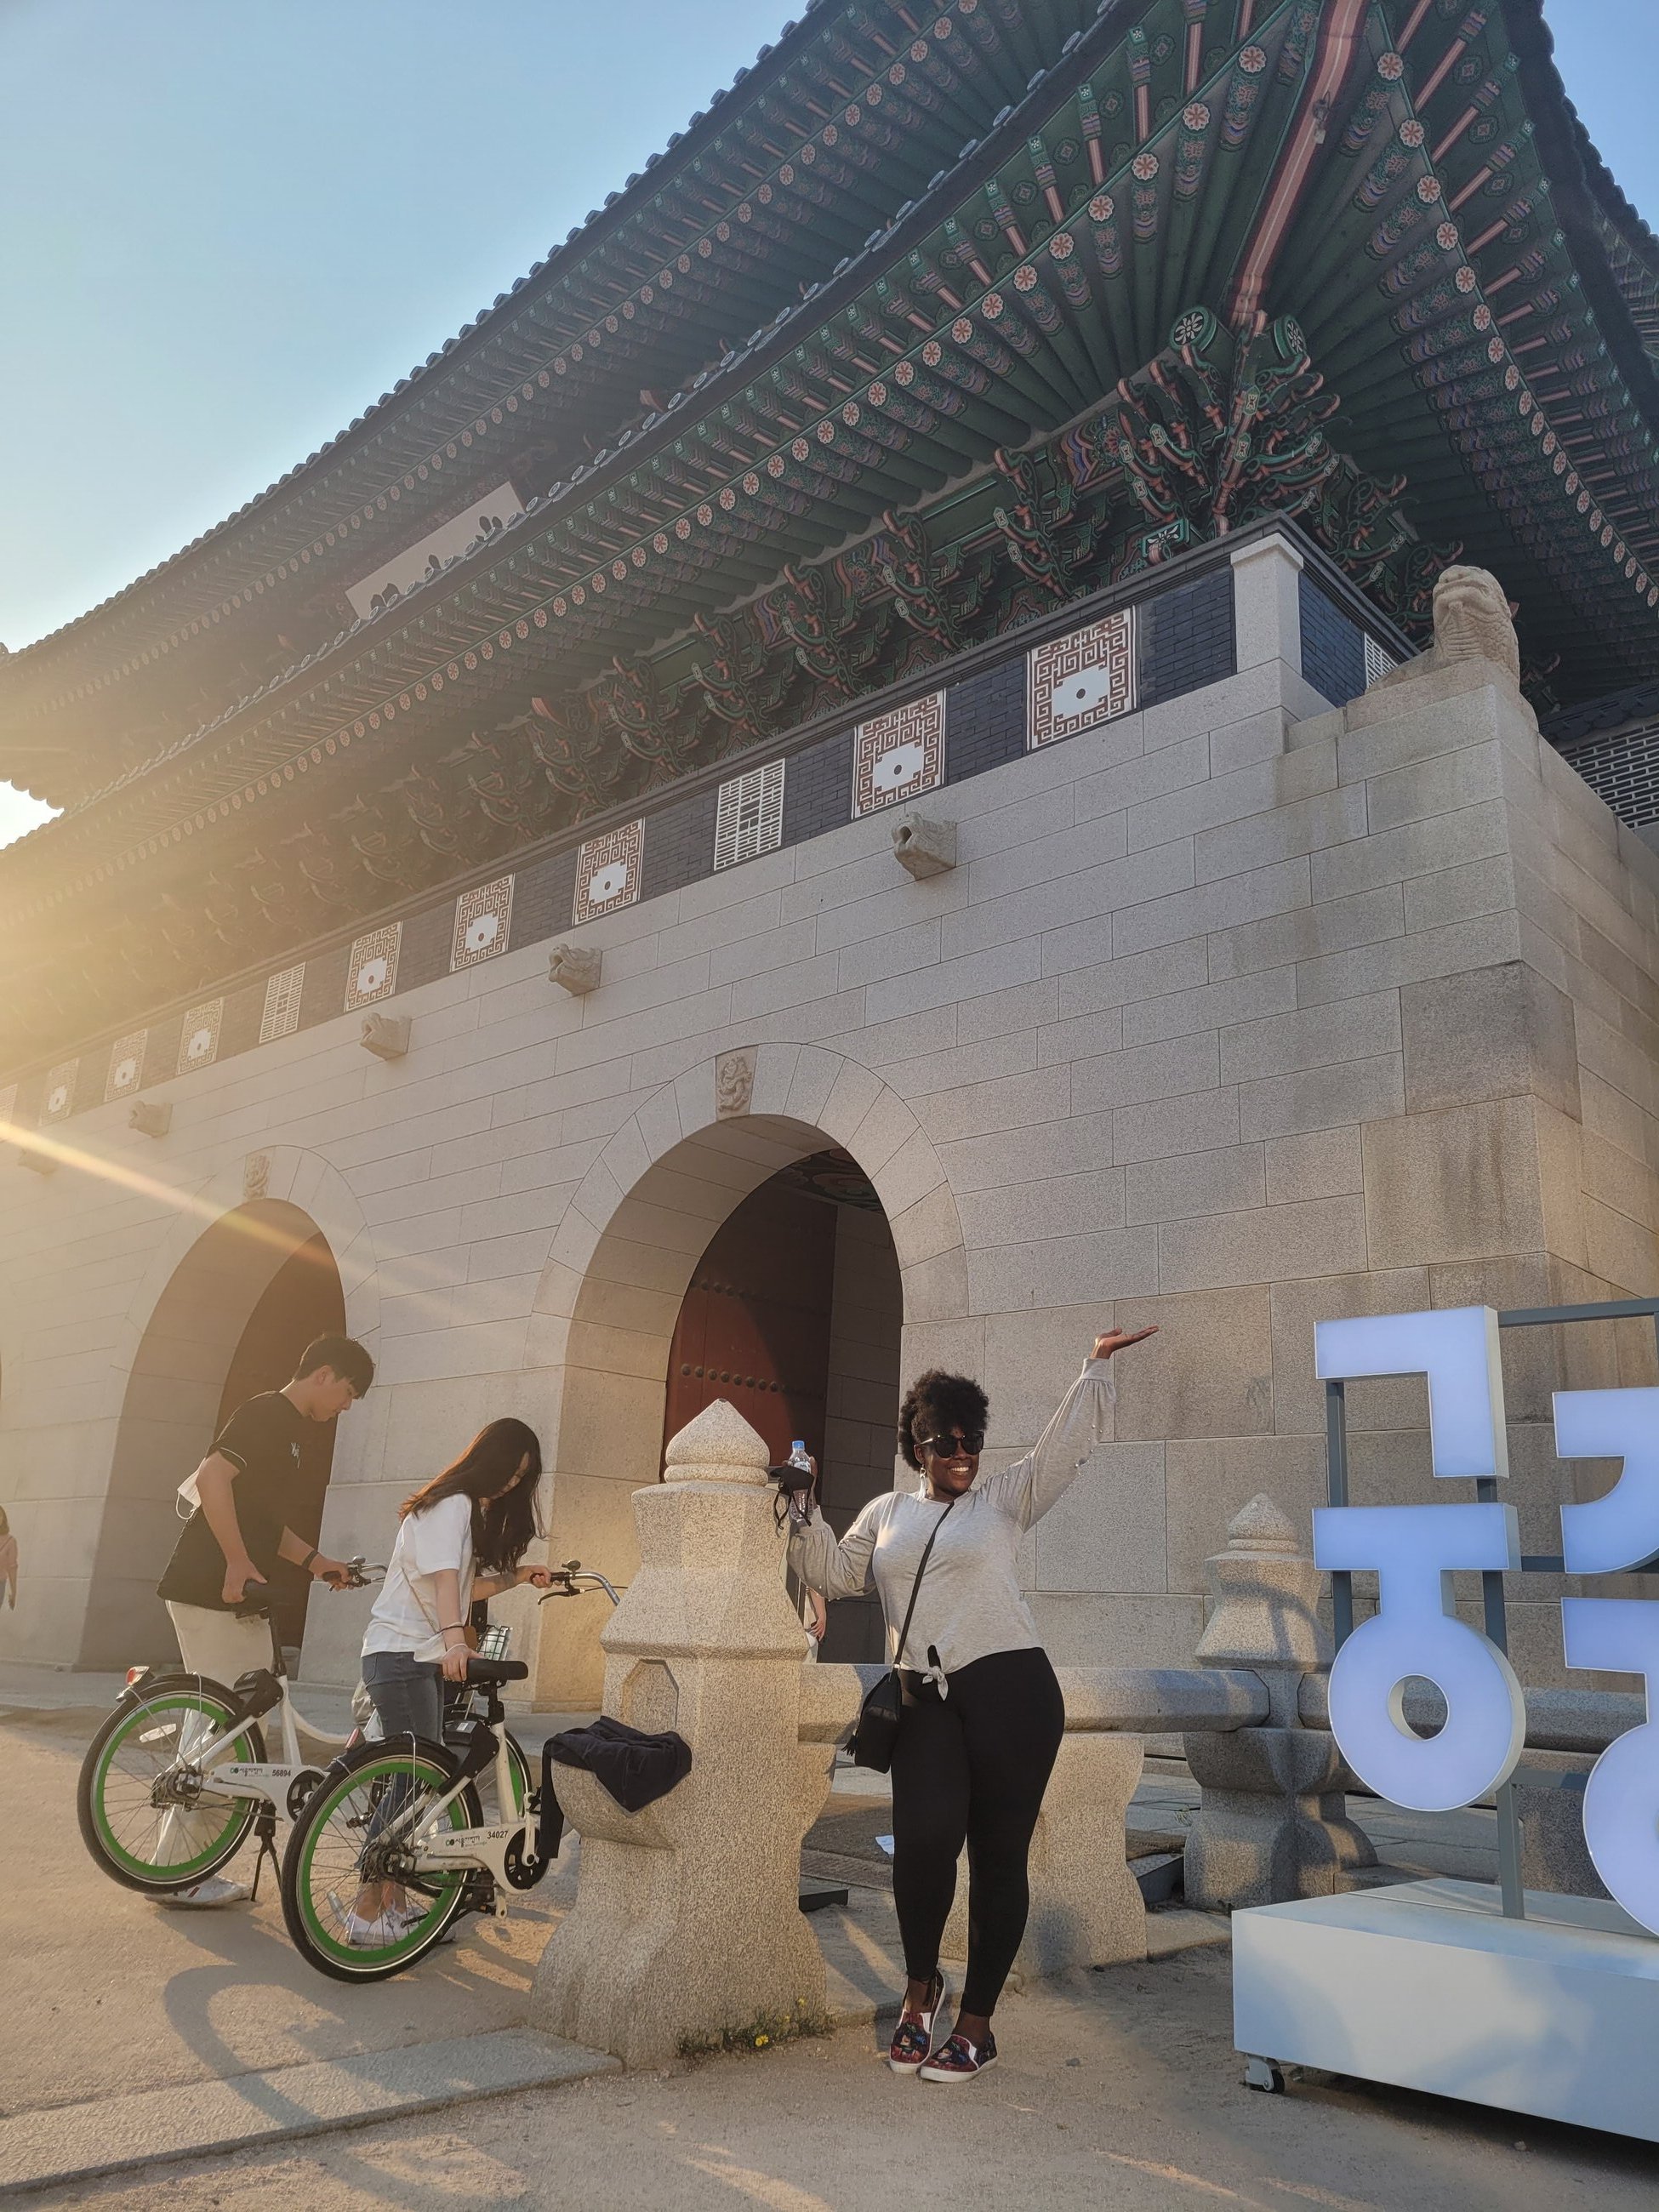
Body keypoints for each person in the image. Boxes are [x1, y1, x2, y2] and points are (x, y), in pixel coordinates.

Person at [788, 1323, 1156, 2084]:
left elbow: (1061, 1448)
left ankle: (978, 2026)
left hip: (1012, 1694)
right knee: (923, 1849)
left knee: (998, 1861)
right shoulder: (886, 1513)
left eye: (972, 1439)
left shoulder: (1005, 1500)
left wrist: (1093, 1366)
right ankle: (920, 1993)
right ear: (916, 1447)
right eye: (944, 1442)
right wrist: (802, 1505)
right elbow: (830, 1574)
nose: (962, 1453)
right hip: (923, 1704)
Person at [155, 1332, 376, 1906]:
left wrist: (317, 1562)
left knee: (219, 1726)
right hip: (213, 1589)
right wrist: (235, 1562)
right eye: (348, 1393)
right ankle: (185, 1873)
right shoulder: (267, 1413)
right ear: (324, 1374)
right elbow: (211, 1479)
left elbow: (260, 1519)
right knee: (230, 1729)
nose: (345, 1407)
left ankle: (173, 1867)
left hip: (229, 1591)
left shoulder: (291, 1431)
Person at [350, 1417, 551, 1943]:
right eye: (510, 1470)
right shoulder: (452, 1503)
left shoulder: (460, 1509)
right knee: (415, 1776)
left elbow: (463, 1589)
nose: (511, 1483)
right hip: (401, 1655)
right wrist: (455, 1641)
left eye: (522, 1477)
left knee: (417, 1779)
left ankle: (389, 1904)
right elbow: (444, 1585)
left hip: (413, 1656)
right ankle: (366, 1910)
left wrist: (519, 1577)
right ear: (488, 1458)